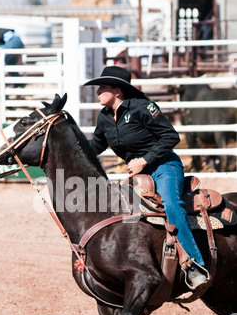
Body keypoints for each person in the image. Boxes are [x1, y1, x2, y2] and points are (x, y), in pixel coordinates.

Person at [84, 65, 208, 289]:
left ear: (117, 91)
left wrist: (144, 160)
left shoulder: (143, 107)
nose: (97, 91)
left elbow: (171, 136)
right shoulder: (104, 118)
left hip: (164, 165)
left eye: (102, 86)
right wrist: (70, 144)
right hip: (137, 174)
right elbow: (96, 146)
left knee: (171, 204)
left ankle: (195, 266)